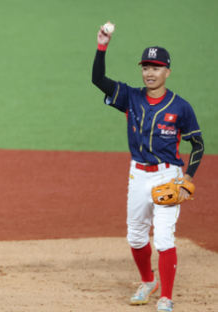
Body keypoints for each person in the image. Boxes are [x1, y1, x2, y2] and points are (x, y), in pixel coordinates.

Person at [92, 23, 204, 312]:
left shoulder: (181, 107)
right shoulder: (132, 97)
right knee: (136, 236)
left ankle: (166, 296)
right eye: (145, 67)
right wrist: (102, 45)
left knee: (165, 237)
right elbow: (98, 79)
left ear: (167, 71)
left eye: (156, 68)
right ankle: (148, 280)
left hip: (169, 175)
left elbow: (198, 145)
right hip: (138, 175)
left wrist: (188, 178)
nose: (149, 73)